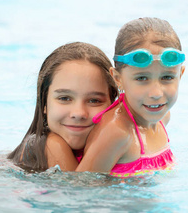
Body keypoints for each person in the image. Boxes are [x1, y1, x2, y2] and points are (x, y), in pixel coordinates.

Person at [76, 17, 185, 177]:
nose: (156, 93)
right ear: (118, 79)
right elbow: (78, 190)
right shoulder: (118, 133)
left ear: (180, 75)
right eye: (141, 78)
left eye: (167, 77)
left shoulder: (162, 119)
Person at [8, 42, 118, 172]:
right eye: (64, 98)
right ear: (44, 103)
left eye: (94, 100)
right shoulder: (52, 145)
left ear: (113, 105)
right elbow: (79, 190)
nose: (79, 113)